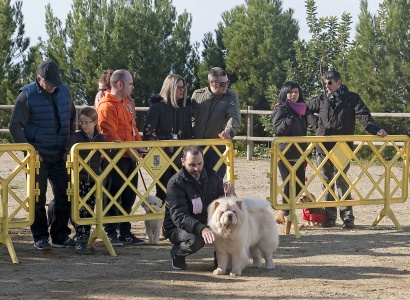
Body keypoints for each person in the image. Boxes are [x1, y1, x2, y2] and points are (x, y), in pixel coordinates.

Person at [307, 70, 388, 229]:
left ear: (339, 82)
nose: (327, 86)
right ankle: (330, 218)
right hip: (322, 146)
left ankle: (348, 218)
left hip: (342, 147)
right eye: (325, 83)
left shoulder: (352, 98)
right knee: (326, 182)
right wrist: (317, 124)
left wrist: (375, 130)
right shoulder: (322, 98)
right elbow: (305, 109)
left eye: (329, 83)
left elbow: (364, 115)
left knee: (341, 181)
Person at [9, 60, 76, 250]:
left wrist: (69, 144)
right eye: (50, 83)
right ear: (39, 79)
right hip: (38, 155)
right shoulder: (26, 95)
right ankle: (39, 236)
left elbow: (72, 117)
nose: (54, 87)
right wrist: (30, 151)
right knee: (37, 197)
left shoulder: (64, 91)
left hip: (61, 153)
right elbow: (15, 125)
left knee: (65, 195)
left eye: (56, 83)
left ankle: (60, 234)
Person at [163, 145, 235, 270]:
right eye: (192, 165)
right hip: (177, 226)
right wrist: (202, 229)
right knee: (196, 240)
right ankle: (177, 253)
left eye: (199, 164)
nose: (197, 168)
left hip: (207, 221)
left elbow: (222, 203)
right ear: (183, 161)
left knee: (232, 226)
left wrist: (231, 195)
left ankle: (220, 259)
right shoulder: (175, 183)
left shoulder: (212, 175)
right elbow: (180, 216)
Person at [97, 69, 146, 246]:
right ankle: (109, 232)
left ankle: (125, 231)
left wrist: (139, 147)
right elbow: (110, 135)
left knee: (128, 195)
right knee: (111, 195)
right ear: (120, 84)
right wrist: (131, 151)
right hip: (112, 159)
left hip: (129, 158)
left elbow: (133, 128)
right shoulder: (106, 106)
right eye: (130, 84)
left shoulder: (127, 104)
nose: (133, 87)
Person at [143, 74, 192, 202]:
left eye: (183, 87)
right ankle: (159, 220)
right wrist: (164, 141)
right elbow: (148, 132)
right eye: (178, 87)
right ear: (170, 88)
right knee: (163, 191)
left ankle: (175, 221)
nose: (182, 90)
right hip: (161, 156)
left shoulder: (185, 109)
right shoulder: (157, 107)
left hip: (180, 156)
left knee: (180, 192)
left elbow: (188, 134)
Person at [65, 107, 106, 254]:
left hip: (94, 179)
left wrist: (115, 144)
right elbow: (69, 153)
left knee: (90, 208)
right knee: (79, 210)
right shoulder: (77, 137)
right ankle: (81, 241)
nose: (83, 126)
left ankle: (85, 239)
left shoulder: (100, 138)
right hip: (79, 179)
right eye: (81, 122)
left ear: (95, 122)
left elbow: (107, 153)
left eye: (87, 122)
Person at [191, 67, 241, 179]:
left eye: (227, 83)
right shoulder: (197, 95)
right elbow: (190, 117)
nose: (226, 86)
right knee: (194, 183)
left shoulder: (231, 97)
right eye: (222, 84)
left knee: (214, 183)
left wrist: (229, 132)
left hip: (218, 149)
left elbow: (233, 117)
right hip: (197, 148)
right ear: (211, 83)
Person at [272, 81, 308, 223]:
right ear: (285, 93)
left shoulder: (302, 109)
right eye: (290, 92)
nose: (293, 95)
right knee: (288, 183)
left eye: (296, 92)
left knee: (299, 185)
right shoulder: (280, 108)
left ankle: (284, 212)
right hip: (285, 152)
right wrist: (288, 121)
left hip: (299, 152)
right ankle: (284, 212)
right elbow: (277, 129)